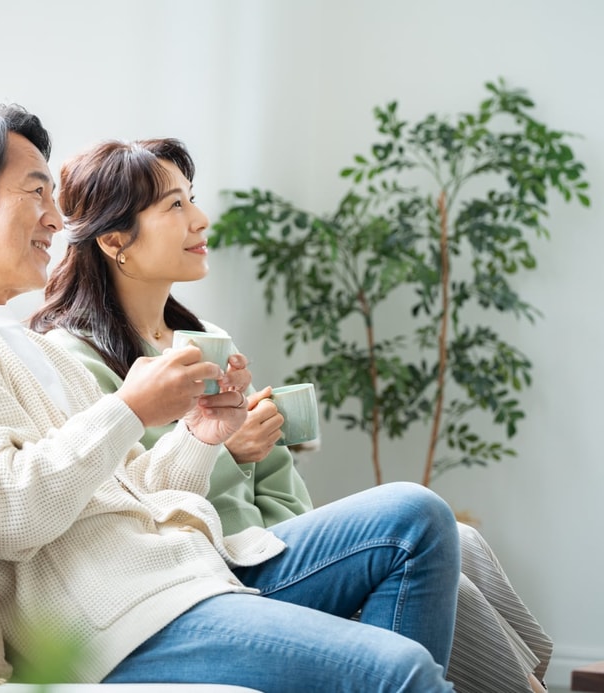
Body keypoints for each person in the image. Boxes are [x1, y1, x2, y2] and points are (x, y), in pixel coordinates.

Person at [0, 102, 461, 692]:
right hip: (119, 622)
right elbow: (7, 513)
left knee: (416, 517)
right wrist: (129, 409)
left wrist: (198, 435)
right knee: (399, 670)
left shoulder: (18, 340)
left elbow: (133, 491)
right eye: (34, 192)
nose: (54, 219)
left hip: (174, 577)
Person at [30, 136, 552, 693]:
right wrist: (222, 450)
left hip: (266, 547)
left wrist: (315, 547)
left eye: (192, 198)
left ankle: (524, 684)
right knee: (421, 525)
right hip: (199, 568)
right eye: (175, 205)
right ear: (115, 241)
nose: (201, 220)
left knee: (460, 542)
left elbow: (278, 482)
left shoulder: (202, 339)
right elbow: (122, 510)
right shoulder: (72, 360)